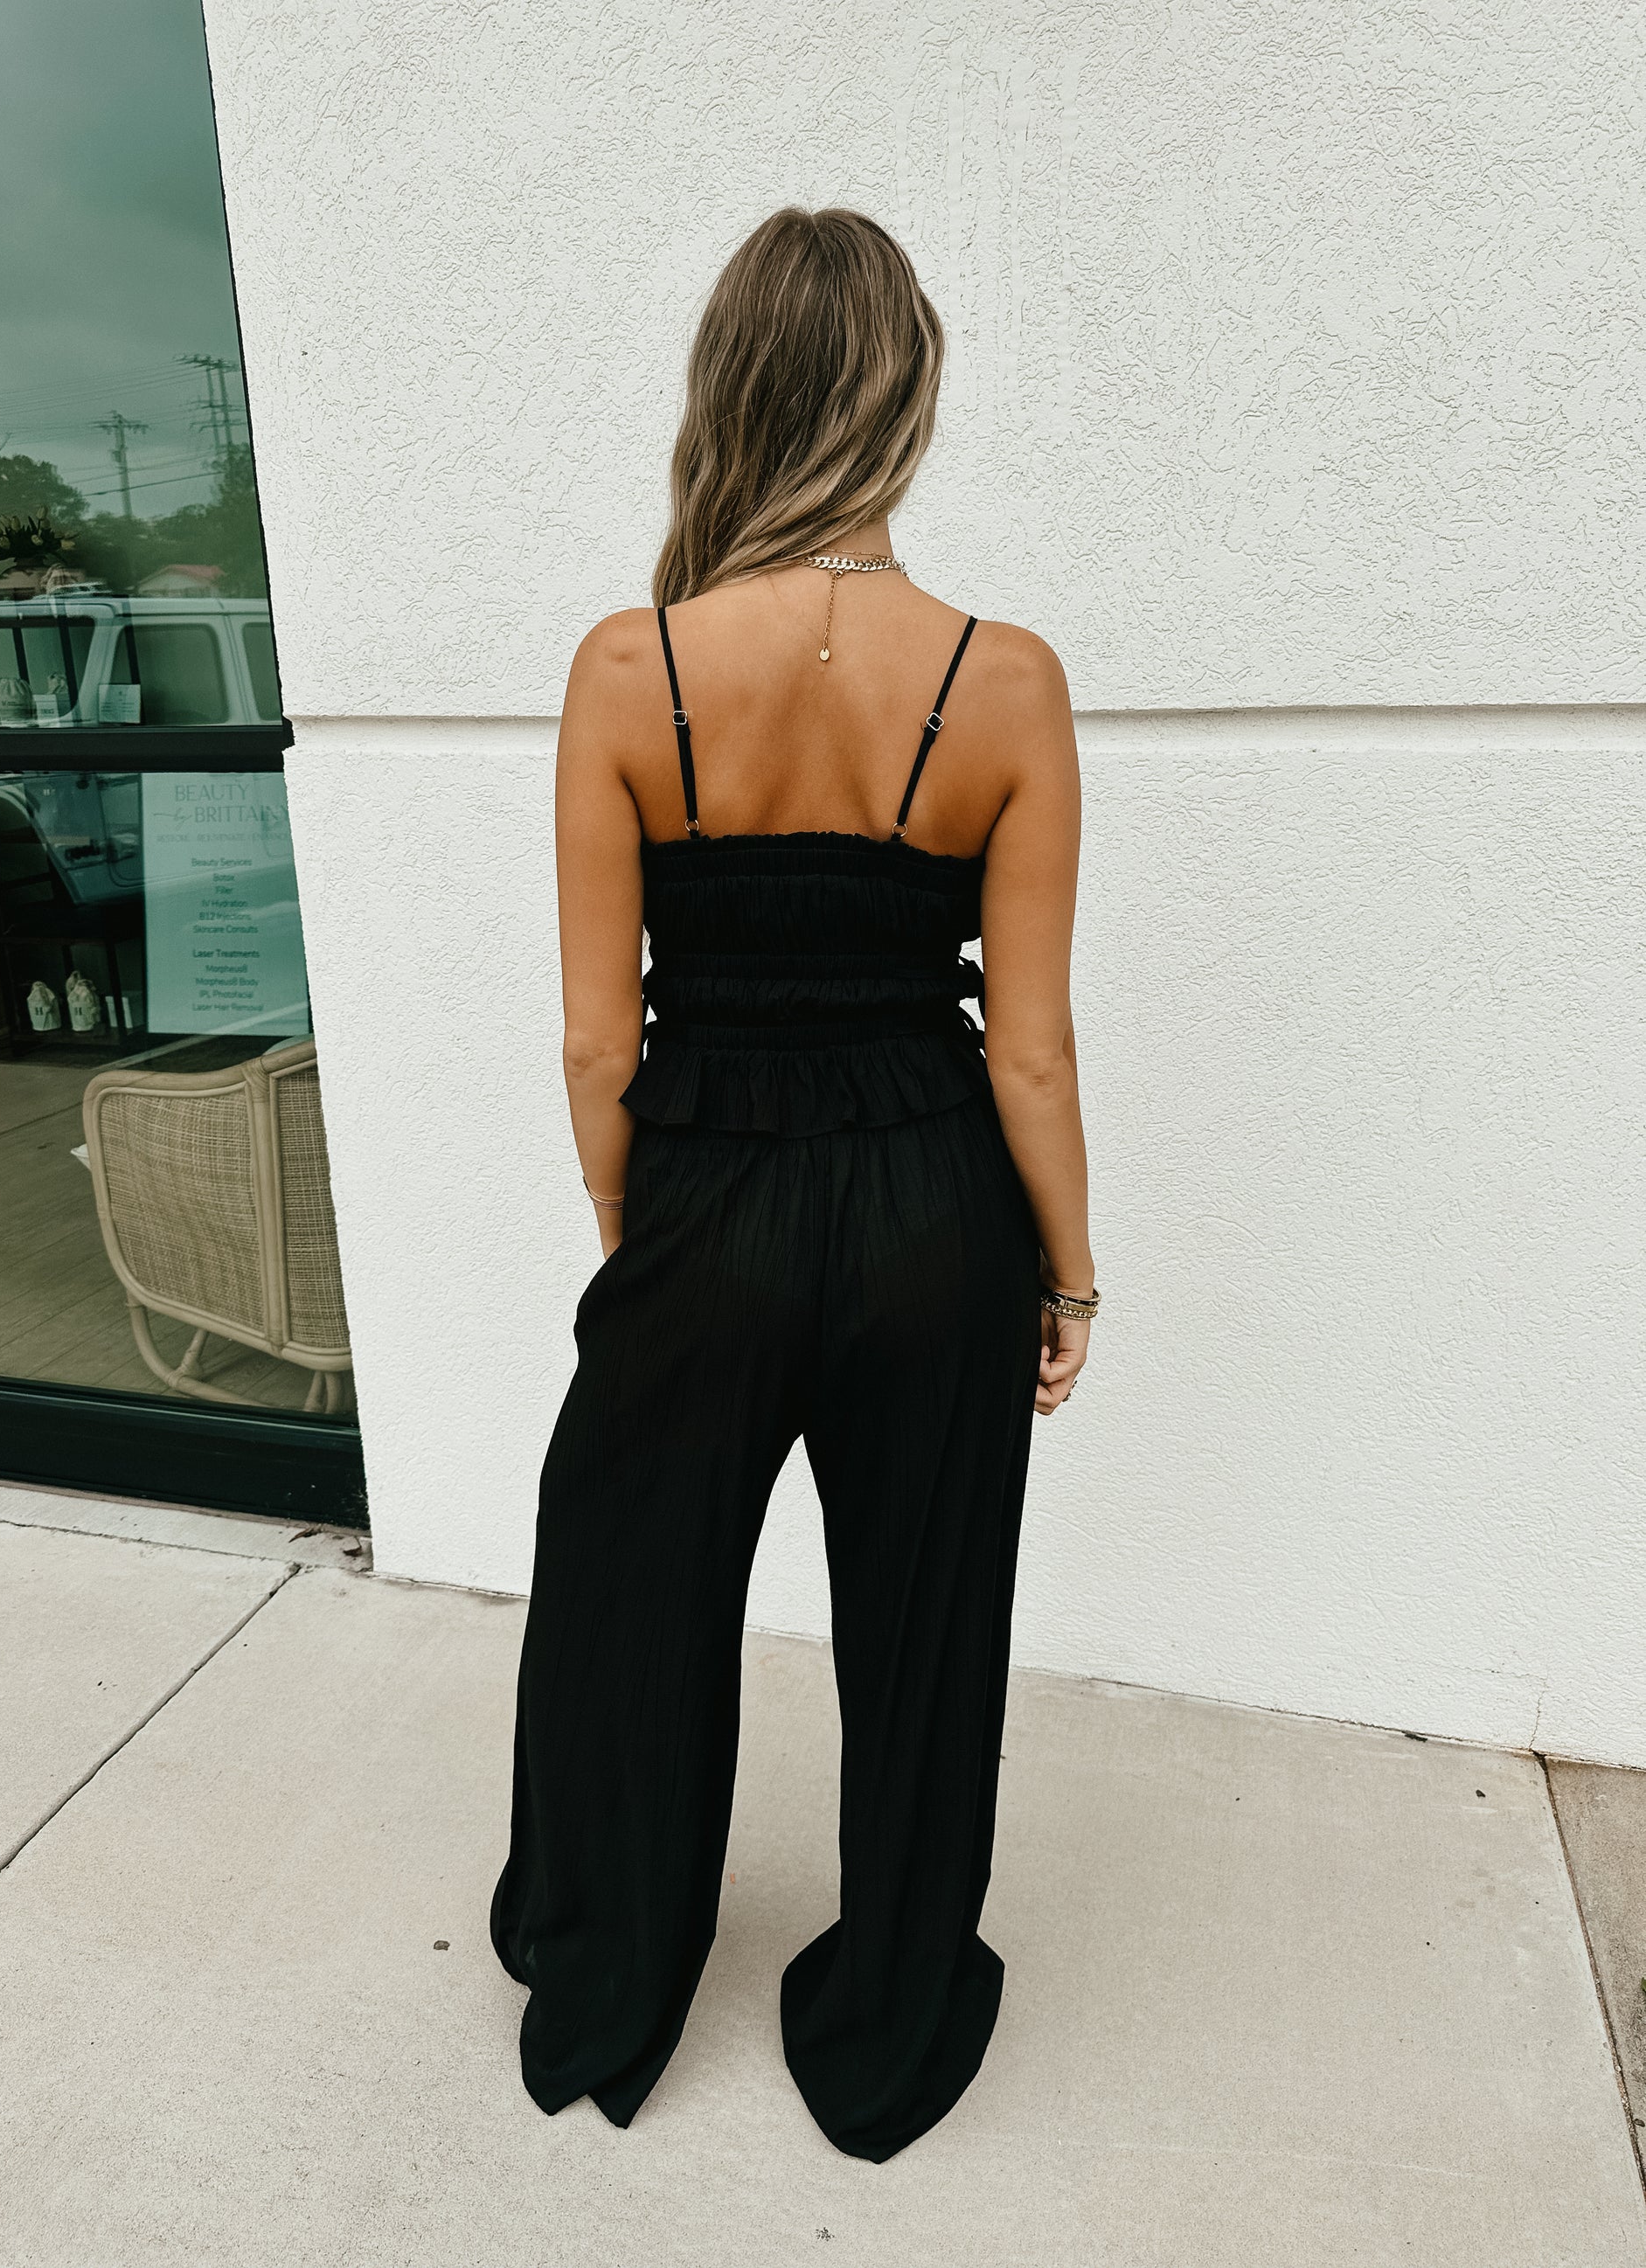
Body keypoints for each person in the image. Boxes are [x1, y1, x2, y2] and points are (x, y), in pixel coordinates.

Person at [490, 206, 1094, 2163]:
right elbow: (1026, 1049)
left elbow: (596, 1044)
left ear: (728, 392)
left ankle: (611, 1962)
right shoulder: (1006, 680)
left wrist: (641, 1233)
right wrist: (1068, 1276)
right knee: (926, 1623)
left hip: (706, 1197)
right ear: (904, 400)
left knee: (626, 1590)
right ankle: (889, 2019)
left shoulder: (627, 667)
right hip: (937, 1206)